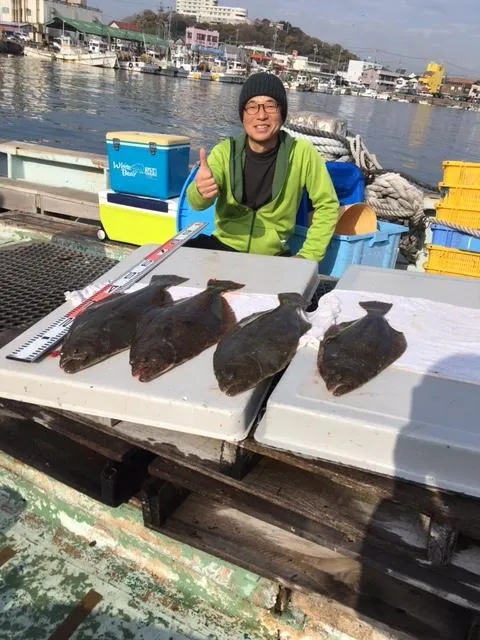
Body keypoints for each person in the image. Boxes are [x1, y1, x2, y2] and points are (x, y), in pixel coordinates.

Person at [184, 72, 340, 261]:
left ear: (282, 113)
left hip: (273, 256)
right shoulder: (225, 151)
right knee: (176, 260)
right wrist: (200, 191)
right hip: (223, 247)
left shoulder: (302, 153)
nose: (261, 115)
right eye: (252, 107)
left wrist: (308, 256)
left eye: (270, 106)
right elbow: (196, 204)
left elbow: (327, 205)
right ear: (242, 114)